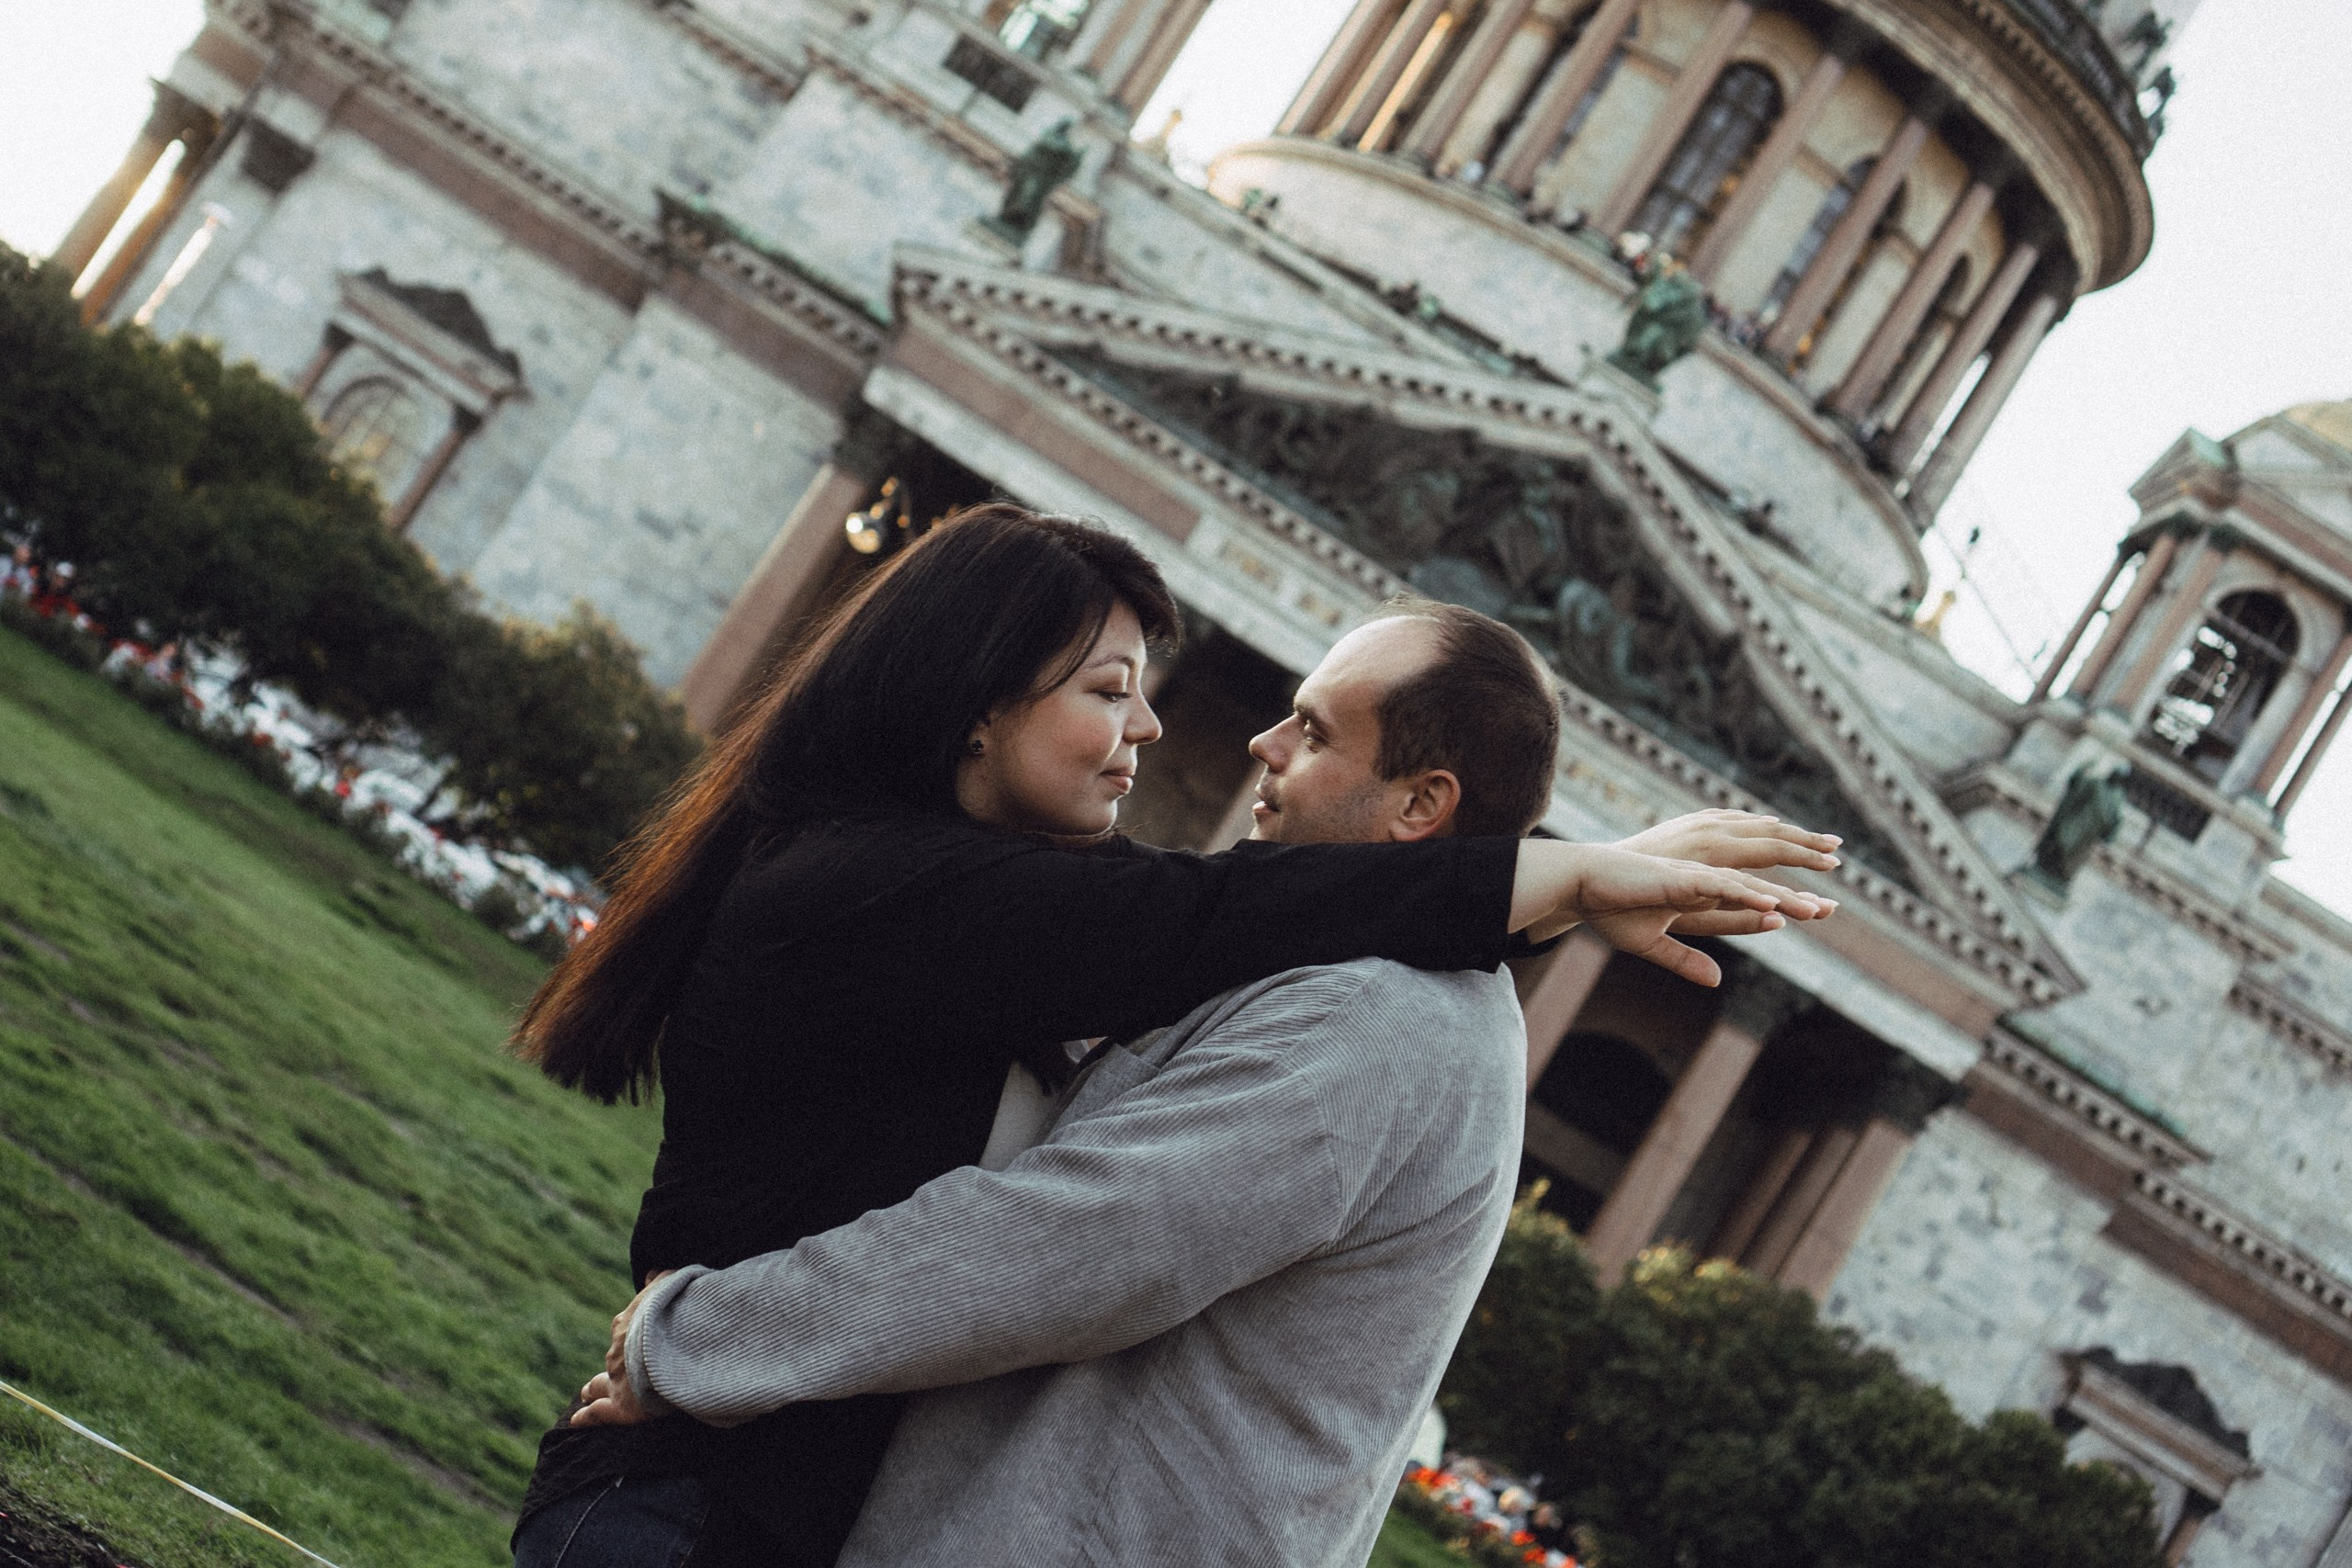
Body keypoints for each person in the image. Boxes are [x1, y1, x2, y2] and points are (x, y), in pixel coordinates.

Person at [565, 598, 1840, 1567]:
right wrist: (1554, 892)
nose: (1263, 744)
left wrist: (703, 1337)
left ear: (1420, 807)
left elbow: (1069, 1244)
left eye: (1316, 730)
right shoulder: (1354, 983)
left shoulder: (1381, 1021)